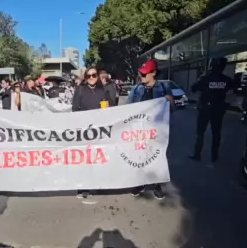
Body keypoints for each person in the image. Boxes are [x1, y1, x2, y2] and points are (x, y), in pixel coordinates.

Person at [126, 59, 174, 199]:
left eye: (145, 74)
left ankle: (157, 185)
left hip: (158, 131)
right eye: (141, 73)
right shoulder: (136, 89)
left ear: (153, 73)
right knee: (140, 156)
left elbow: (172, 110)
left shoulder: (164, 88)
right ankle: (140, 183)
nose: (141, 76)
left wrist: (170, 100)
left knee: (157, 157)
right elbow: (127, 109)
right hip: (140, 131)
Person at [72, 66, 116, 200]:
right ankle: (83, 187)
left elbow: (113, 107)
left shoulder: (103, 90)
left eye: (94, 75)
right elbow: (74, 109)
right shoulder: (80, 90)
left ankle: (98, 182)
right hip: (85, 131)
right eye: (88, 76)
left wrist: (108, 106)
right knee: (85, 159)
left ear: (98, 76)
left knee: (98, 157)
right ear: (85, 78)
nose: (91, 78)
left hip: (100, 131)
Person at [189, 57, 240, 163]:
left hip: (204, 109)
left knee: (200, 133)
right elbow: (236, 86)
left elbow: (193, 88)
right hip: (218, 110)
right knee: (216, 133)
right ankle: (214, 156)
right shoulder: (226, 79)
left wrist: (202, 77)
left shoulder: (206, 78)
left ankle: (197, 154)